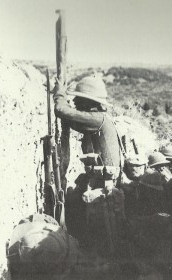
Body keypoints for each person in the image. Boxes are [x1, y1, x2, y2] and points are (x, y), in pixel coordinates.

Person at [54, 75, 125, 255]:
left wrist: (60, 93)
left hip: (103, 186)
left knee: (99, 232)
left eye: (79, 99)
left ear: (89, 102)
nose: (75, 102)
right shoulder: (100, 119)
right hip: (101, 181)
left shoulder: (96, 119)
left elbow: (61, 110)